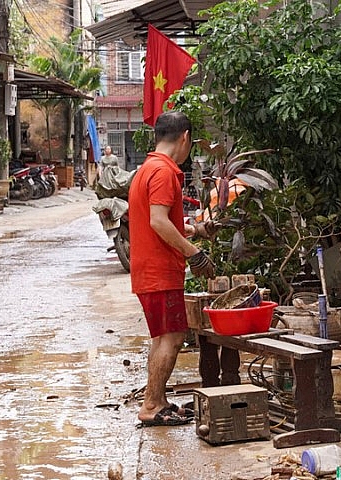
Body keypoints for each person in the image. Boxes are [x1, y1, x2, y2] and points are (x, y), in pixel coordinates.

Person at [129, 111, 216, 427]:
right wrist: (194, 254)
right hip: (160, 270)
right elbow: (158, 221)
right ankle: (151, 404)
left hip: (149, 269)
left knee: (162, 338)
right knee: (173, 338)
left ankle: (157, 399)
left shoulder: (147, 169)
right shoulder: (164, 172)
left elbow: (159, 222)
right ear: (185, 137)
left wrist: (194, 230)